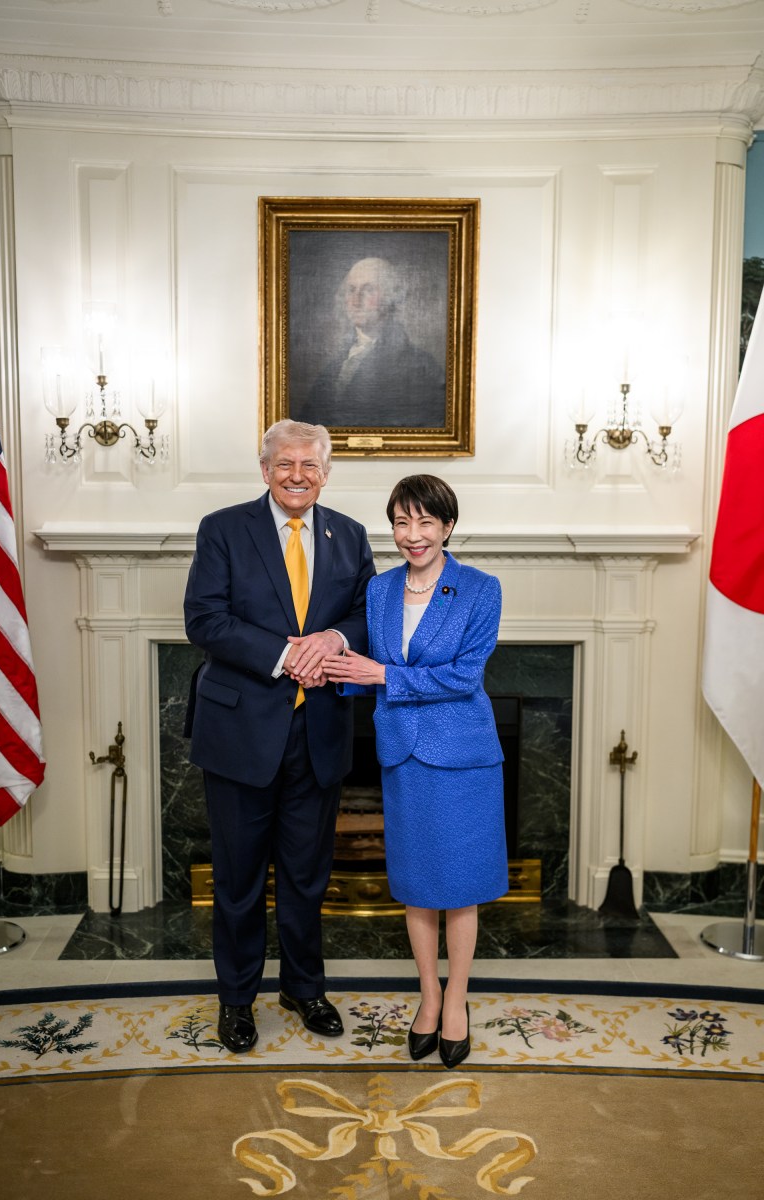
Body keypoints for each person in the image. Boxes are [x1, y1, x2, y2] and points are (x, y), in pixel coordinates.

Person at [183, 419, 375, 1054]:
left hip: (318, 734)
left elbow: (366, 615)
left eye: (310, 466)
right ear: (265, 469)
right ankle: (237, 1001)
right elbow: (203, 619)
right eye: (285, 464)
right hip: (241, 732)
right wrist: (284, 654)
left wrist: (335, 639)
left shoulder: (348, 535)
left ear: (326, 473)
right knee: (238, 881)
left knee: (306, 875)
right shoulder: (223, 529)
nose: (298, 475)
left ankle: (303, 987)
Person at [323, 475, 507, 1069]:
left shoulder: (480, 589)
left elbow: (464, 677)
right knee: (416, 885)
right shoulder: (378, 591)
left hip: (463, 757)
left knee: (461, 887)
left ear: (448, 526)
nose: (413, 535)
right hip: (403, 753)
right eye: (402, 523)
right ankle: (427, 997)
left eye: (426, 522)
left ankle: (458, 999)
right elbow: (360, 664)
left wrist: (382, 677)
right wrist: (325, 671)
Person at [297, 256, 447, 429]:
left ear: (391, 297)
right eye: (351, 290)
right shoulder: (334, 367)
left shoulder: (422, 367)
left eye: (368, 290)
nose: (355, 301)